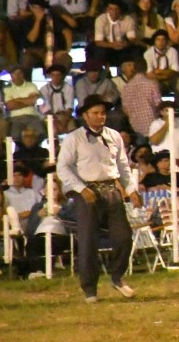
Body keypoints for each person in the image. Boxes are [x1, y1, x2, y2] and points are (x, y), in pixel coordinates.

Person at [55, 94, 138, 302]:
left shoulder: (114, 136)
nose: (101, 116)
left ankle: (117, 276)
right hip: (87, 192)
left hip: (111, 189)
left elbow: (123, 166)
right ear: (85, 115)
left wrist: (132, 189)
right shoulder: (74, 138)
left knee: (124, 236)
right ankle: (90, 288)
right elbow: (62, 167)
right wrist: (80, 188)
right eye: (96, 113)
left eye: (103, 113)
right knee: (88, 241)